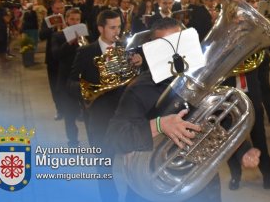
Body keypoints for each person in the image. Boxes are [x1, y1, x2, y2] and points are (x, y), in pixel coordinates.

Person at [106, 18, 260, 202]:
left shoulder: (202, 81)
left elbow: (223, 118)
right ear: (153, 50)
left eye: (179, 43)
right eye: (166, 46)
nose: (175, 53)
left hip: (201, 185)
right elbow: (114, 138)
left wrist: (244, 150)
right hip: (153, 189)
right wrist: (159, 125)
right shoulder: (140, 88)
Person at [70, 9, 144, 201]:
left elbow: (137, 82)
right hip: (99, 118)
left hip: (125, 116)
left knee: (132, 163)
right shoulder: (86, 52)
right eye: (112, 28)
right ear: (101, 28)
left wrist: (139, 64)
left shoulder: (126, 49)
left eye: (119, 26)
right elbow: (70, 83)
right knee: (103, 166)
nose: (116, 31)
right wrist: (92, 89)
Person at [224, 61, 270, 191]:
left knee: (260, 141)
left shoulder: (251, 52)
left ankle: (269, 177)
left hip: (252, 98)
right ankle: (235, 176)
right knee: (232, 142)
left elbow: (263, 68)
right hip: (230, 100)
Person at [51, 8, 83, 147]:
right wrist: (69, 43)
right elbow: (55, 55)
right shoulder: (58, 36)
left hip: (82, 80)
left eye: (77, 20)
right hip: (66, 80)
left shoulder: (85, 35)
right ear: (67, 20)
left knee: (87, 116)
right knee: (69, 116)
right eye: (72, 19)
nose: (75, 22)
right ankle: (73, 142)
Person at [39, 0, 65, 120]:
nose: (59, 10)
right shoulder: (47, 20)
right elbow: (41, 36)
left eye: (62, 8)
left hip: (67, 57)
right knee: (55, 86)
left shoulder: (69, 17)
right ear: (52, 8)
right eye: (57, 8)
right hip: (53, 58)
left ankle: (74, 109)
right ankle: (60, 109)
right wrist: (52, 27)